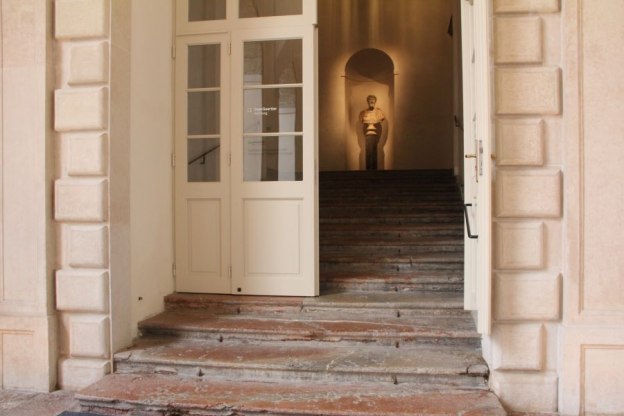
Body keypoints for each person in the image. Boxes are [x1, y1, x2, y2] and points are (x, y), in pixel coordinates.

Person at [358, 95, 386, 170]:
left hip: (374, 135)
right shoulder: (363, 113)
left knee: (374, 152)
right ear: (367, 101)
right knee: (368, 153)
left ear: (375, 101)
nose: (371, 101)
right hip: (368, 134)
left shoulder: (379, 112)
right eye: (370, 99)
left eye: (373, 100)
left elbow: (381, 118)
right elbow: (362, 120)